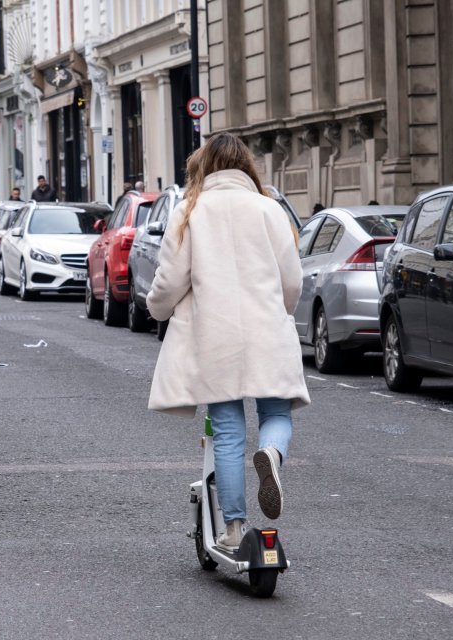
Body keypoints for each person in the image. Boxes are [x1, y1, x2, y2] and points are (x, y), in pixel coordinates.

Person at [145, 132, 309, 551]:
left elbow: (169, 281)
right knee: (276, 412)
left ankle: (233, 529)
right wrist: (282, 310)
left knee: (229, 431)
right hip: (267, 328)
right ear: (245, 166)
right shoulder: (269, 208)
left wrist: (157, 309)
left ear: (205, 166)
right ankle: (271, 454)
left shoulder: (190, 211)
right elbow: (292, 279)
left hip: (215, 335)